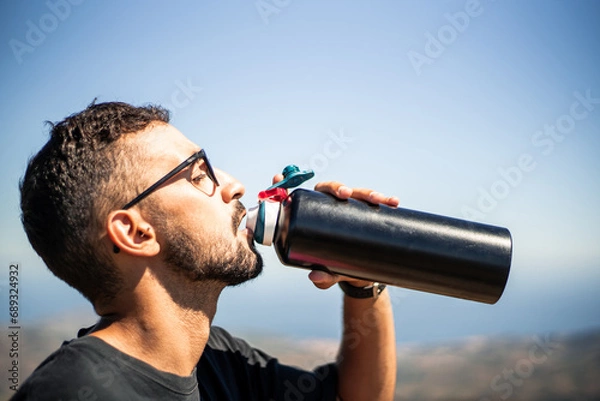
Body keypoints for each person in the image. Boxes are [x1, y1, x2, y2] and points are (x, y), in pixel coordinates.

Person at [13, 101, 398, 400]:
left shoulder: (215, 360)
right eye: (198, 174)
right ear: (135, 233)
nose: (234, 186)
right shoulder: (73, 391)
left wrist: (362, 282)